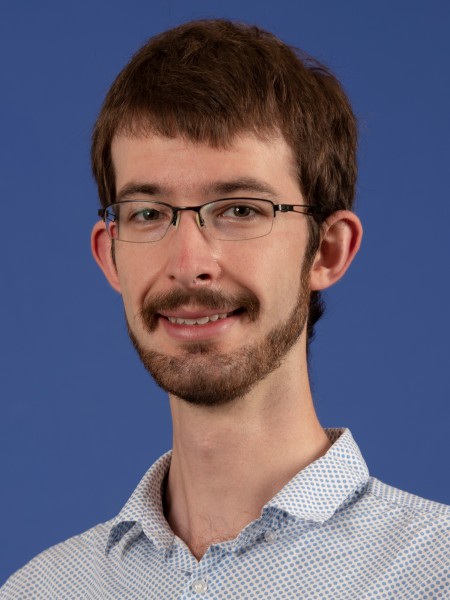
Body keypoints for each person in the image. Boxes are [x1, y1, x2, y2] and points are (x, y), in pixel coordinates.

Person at [2, 18, 449, 599]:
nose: (189, 263)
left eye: (239, 210)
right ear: (110, 257)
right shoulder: (43, 591)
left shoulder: (435, 572)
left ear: (327, 250)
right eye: (148, 213)